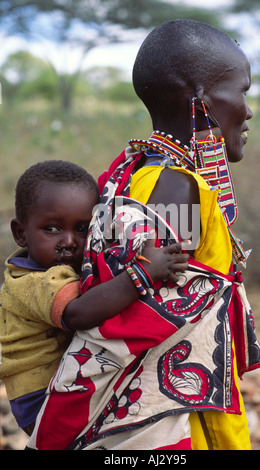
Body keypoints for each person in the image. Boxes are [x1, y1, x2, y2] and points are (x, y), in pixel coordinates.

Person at [27, 20, 260, 451]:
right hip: (166, 417)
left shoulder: (134, 169)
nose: (248, 110)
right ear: (201, 101)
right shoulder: (178, 187)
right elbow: (166, 310)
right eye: (242, 91)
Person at [0, 159, 189, 436]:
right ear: (21, 233)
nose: (69, 241)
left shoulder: (35, 268)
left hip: (43, 395)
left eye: (81, 229)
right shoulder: (36, 283)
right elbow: (79, 314)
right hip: (43, 402)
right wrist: (144, 273)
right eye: (52, 229)